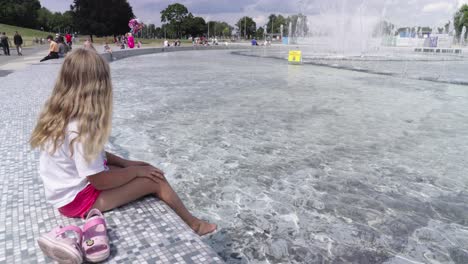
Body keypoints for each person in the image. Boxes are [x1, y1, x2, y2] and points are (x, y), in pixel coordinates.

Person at [30, 48, 217, 236]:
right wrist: (135, 171)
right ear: (99, 87)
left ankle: (148, 185)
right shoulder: (82, 128)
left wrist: (125, 163)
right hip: (77, 201)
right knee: (156, 180)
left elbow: (94, 157)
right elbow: (100, 181)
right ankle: (194, 225)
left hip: (65, 195)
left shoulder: (61, 115)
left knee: (143, 169)